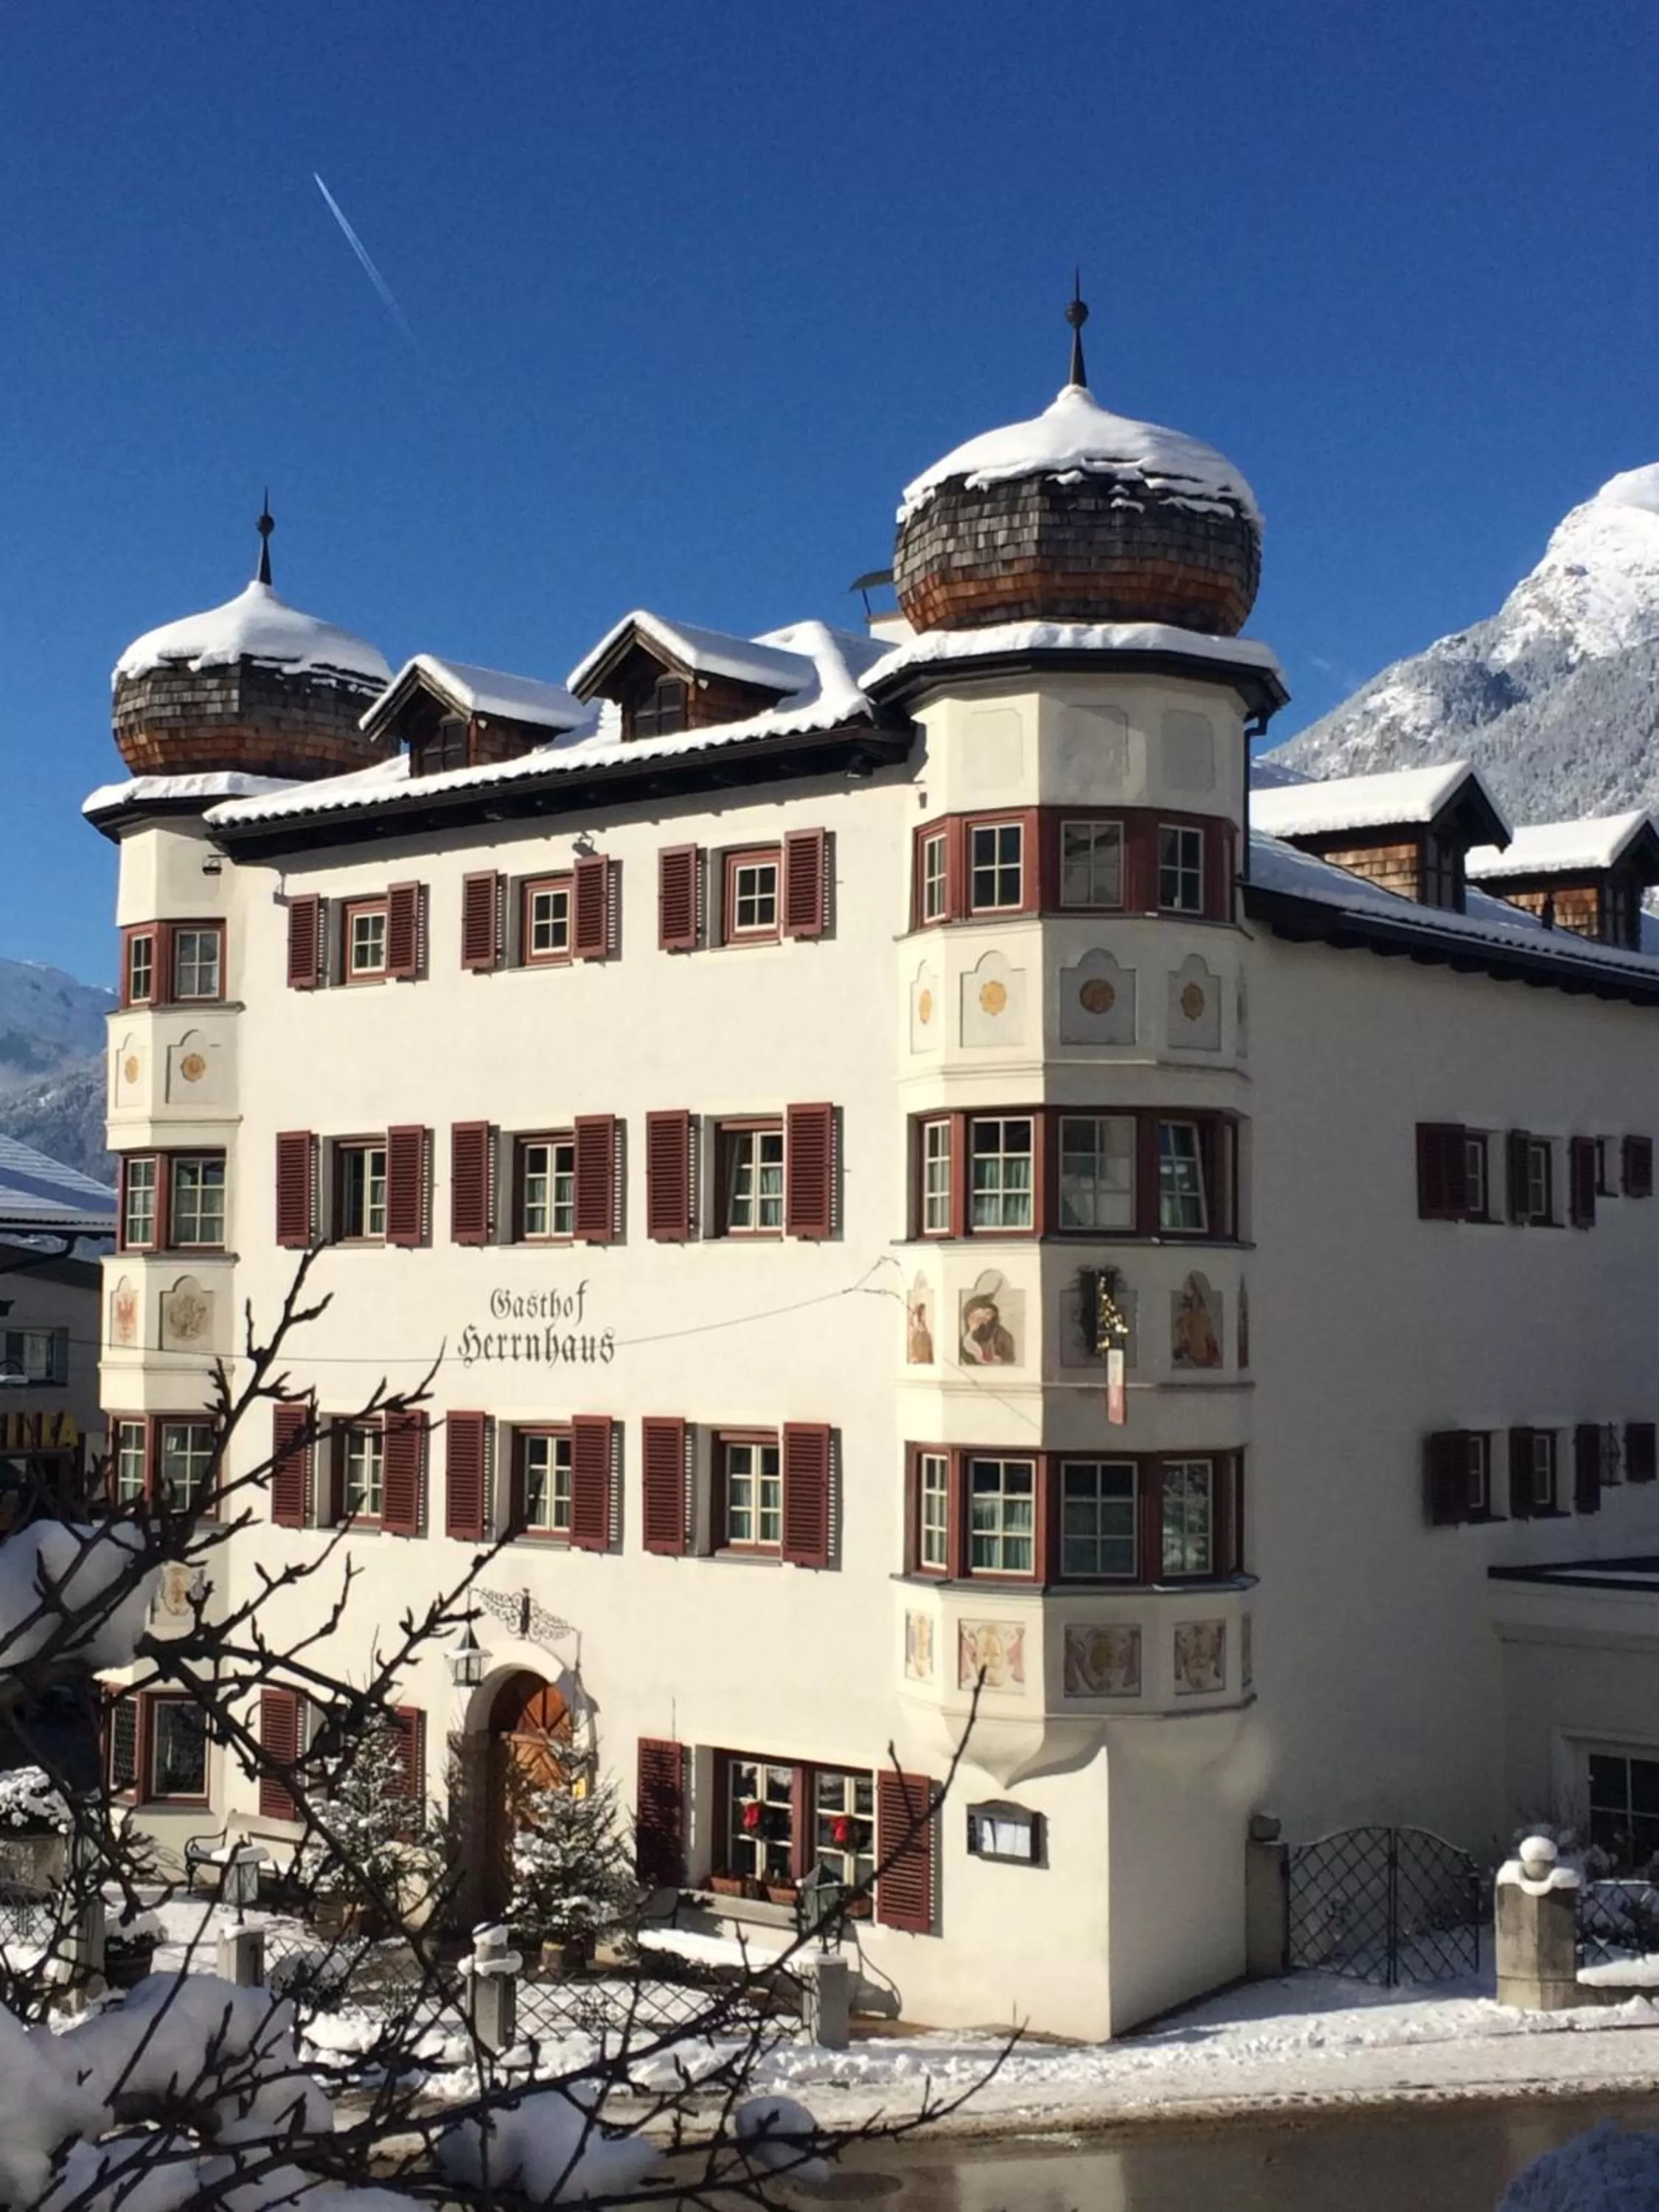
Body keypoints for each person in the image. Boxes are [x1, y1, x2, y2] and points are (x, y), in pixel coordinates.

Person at [960, 1296, 1015, 1364]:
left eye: (988, 1314)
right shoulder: (964, 1341)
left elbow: (1008, 1361)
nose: (985, 1320)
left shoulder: (1003, 1336)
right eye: (977, 1318)